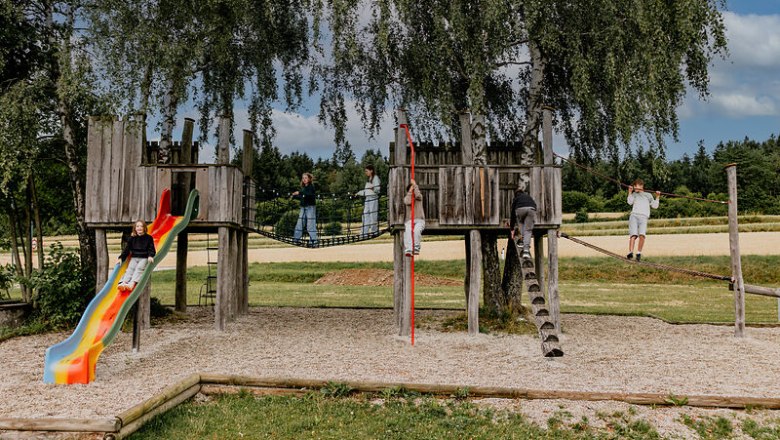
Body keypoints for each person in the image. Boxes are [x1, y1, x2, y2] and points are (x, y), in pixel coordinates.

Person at [116, 220, 156, 291]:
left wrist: (150, 256)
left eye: (141, 226)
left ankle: (132, 284)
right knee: (130, 269)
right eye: (137, 226)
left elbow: (151, 248)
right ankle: (124, 282)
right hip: (134, 257)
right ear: (135, 228)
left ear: (144, 228)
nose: (139, 228)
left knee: (139, 269)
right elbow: (127, 249)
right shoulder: (132, 238)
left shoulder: (148, 238)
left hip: (144, 258)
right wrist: (121, 258)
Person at [626, 178, 660, 262]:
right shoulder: (634, 194)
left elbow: (655, 206)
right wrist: (629, 192)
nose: (634, 187)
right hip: (634, 215)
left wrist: (657, 197)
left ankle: (638, 253)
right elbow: (629, 202)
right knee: (633, 235)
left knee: (642, 235)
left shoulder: (648, 195)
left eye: (636, 186)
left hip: (644, 217)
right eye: (634, 186)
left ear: (641, 186)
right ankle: (630, 252)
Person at [510, 184, 536, 260]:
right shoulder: (528, 197)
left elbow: (512, 214)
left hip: (520, 209)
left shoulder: (516, 199)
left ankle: (522, 240)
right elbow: (535, 206)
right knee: (528, 230)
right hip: (531, 209)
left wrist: (512, 228)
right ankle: (526, 251)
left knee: (520, 222)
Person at [292, 172, 318, 247]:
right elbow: (302, 197)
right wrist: (294, 196)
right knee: (299, 223)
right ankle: (296, 239)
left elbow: (308, 194)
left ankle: (313, 241)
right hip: (303, 207)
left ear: (309, 179)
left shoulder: (311, 187)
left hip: (310, 207)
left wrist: (299, 192)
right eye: (303, 178)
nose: (304, 179)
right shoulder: (304, 188)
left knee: (310, 224)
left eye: (306, 178)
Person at [356, 165, 381, 235]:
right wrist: (358, 193)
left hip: (373, 199)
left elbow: (377, 189)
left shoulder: (375, 178)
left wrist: (371, 188)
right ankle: (364, 232)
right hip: (368, 198)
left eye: (367, 171)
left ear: (371, 171)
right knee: (365, 214)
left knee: (373, 215)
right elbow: (366, 191)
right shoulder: (369, 179)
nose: (366, 173)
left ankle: (374, 231)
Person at [403, 179, 425, 256]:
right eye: (411, 191)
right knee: (408, 231)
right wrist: (410, 192)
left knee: (416, 231)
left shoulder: (419, 198)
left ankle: (416, 247)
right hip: (409, 220)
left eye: (413, 191)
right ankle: (409, 249)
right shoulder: (407, 198)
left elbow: (418, 195)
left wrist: (415, 185)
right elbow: (408, 202)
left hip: (419, 220)